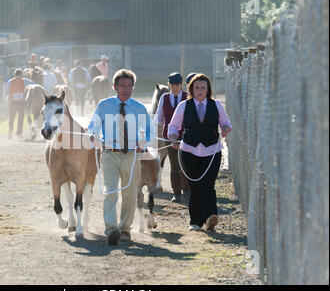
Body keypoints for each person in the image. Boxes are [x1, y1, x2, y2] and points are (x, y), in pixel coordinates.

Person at [88, 69, 154, 245]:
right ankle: (111, 230)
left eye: (129, 86)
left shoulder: (139, 108)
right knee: (110, 192)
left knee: (130, 194)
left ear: (133, 87)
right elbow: (93, 125)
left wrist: (144, 143)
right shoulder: (104, 105)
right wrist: (93, 136)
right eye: (123, 86)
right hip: (109, 154)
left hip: (131, 156)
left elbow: (149, 130)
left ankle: (125, 229)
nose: (126, 89)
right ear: (115, 87)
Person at [168, 73, 232, 232]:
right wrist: (174, 138)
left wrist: (225, 130)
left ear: (208, 89)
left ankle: (211, 217)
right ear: (191, 89)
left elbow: (226, 124)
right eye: (197, 87)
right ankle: (195, 221)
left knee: (209, 185)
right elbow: (173, 126)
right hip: (189, 151)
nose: (200, 90)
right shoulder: (183, 106)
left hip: (212, 151)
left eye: (203, 87)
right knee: (195, 185)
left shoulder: (216, 105)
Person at [153, 72, 190, 204]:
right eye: (172, 85)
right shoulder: (164, 98)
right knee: (174, 165)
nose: (174, 88)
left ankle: (187, 190)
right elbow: (159, 116)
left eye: (177, 85)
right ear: (169, 85)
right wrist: (153, 128)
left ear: (181, 85)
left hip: (186, 136)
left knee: (185, 164)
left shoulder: (188, 97)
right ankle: (176, 193)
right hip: (169, 136)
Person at [5, 68, 35, 140]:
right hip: (21, 102)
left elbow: (6, 92)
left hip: (12, 102)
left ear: (14, 74)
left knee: (11, 118)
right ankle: (18, 133)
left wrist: (6, 101)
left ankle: (10, 133)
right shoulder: (24, 81)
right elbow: (33, 83)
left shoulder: (10, 81)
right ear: (22, 74)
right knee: (20, 118)